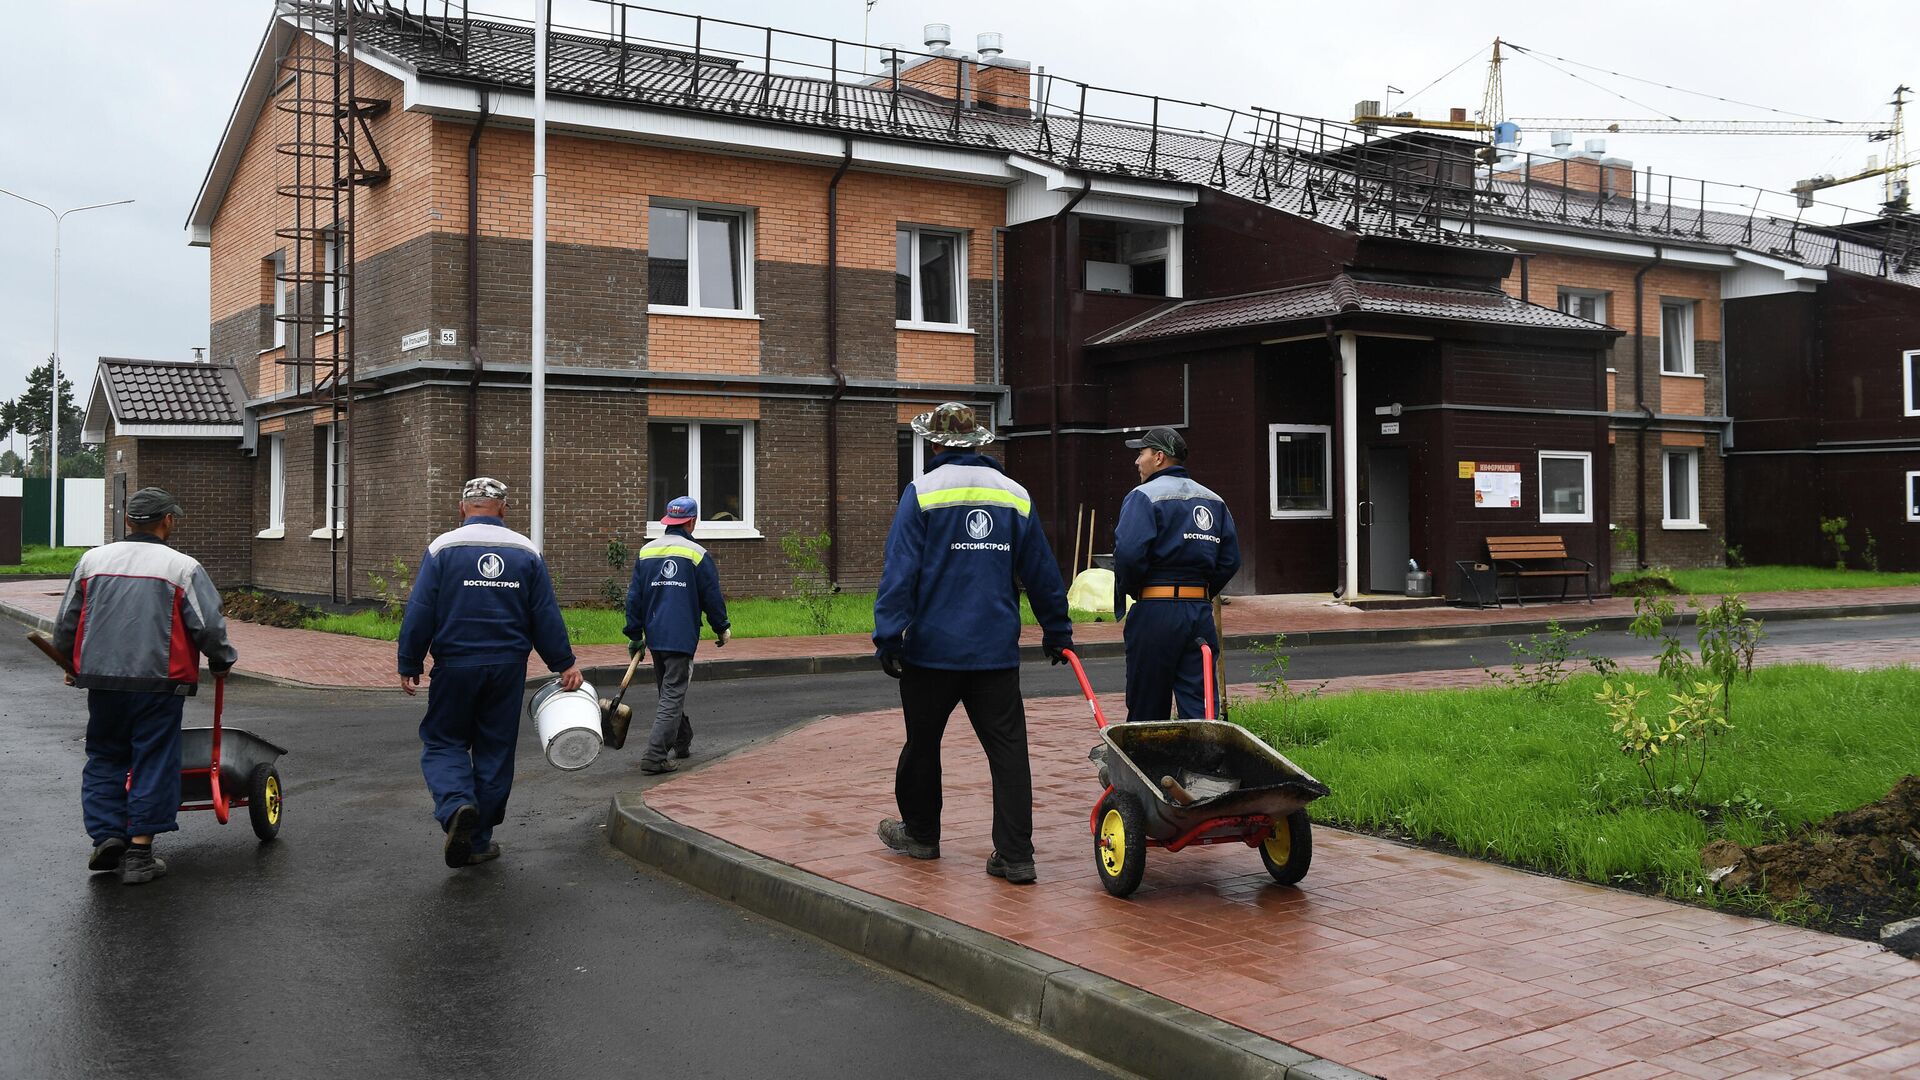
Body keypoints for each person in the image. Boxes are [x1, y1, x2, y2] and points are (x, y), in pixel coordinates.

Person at [872, 402, 1074, 886]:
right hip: (995, 652)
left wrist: (888, 636)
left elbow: (900, 572)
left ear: (936, 443)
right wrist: (1057, 631)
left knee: (923, 744)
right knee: (1008, 752)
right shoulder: (1015, 495)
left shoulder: (921, 492)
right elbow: (1043, 573)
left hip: (931, 651)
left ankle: (921, 836)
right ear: (980, 442)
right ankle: (1015, 856)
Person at [52, 487, 239, 885]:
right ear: (167, 520)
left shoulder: (92, 561)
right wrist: (222, 660)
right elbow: (207, 625)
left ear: (126, 521)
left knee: (105, 756)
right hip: (160, 684)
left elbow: (68, 618)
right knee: (153, 759)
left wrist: (69, 662)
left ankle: (106, 836)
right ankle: (138, 853)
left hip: (103, 682)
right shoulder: (182, 567)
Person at [397, 477, 581, 868]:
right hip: (507, 668)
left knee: (445, 741)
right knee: (494, 749)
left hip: (455, 666)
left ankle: (456, 806)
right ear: (503, 508)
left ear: (463, 508)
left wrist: (410, 662)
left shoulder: (442, 548)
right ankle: (478, 840)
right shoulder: (525, 551)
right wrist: (563, 663)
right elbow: (543, 614)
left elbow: (420, 610)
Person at [1111, 426, 1242, 724]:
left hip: (1155, 612)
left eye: (1141, 453)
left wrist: (1137, 590)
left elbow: (1129, 554)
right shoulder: (1213, 500)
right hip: (1198, 614)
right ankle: (1203, 767)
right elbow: (1231, 559)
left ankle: (1148, 767)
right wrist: (1202, 591)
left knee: (1147, 711)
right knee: (1201, 710)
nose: (1136, 461)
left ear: (1159, 457)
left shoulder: (1142, 497)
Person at [624, 495, 731, 775]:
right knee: (672, 692)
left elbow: (634, 597)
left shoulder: (646, 552)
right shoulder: (697, 554)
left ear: (668, 521)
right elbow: (712, 596)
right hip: (682, 636)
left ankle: (681, 739)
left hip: (655, 633)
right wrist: (721, 627)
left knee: (668, 691)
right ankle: (655, 755)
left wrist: (634, 633)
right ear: (692, 522)